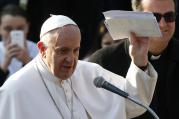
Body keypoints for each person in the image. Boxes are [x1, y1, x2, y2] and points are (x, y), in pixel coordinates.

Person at [0, 15, 157, 119]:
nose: (71, 59)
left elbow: (133, 104)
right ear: (42, 49)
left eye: (76, 50)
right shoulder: (15, 90)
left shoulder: (91, 74)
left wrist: (139, 60)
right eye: (63, 51)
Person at [89, 0, 179, 119]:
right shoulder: (102, 62)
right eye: (154, 17)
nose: (162, 24)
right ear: (137, 17)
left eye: (169, 16)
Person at [0, 4, 38, 86]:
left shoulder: (38, 50)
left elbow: (43, 84)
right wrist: (5, 65)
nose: (13, 33)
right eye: (8, 29)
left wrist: (27, 61)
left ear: (27, 27)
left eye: (20, 28)